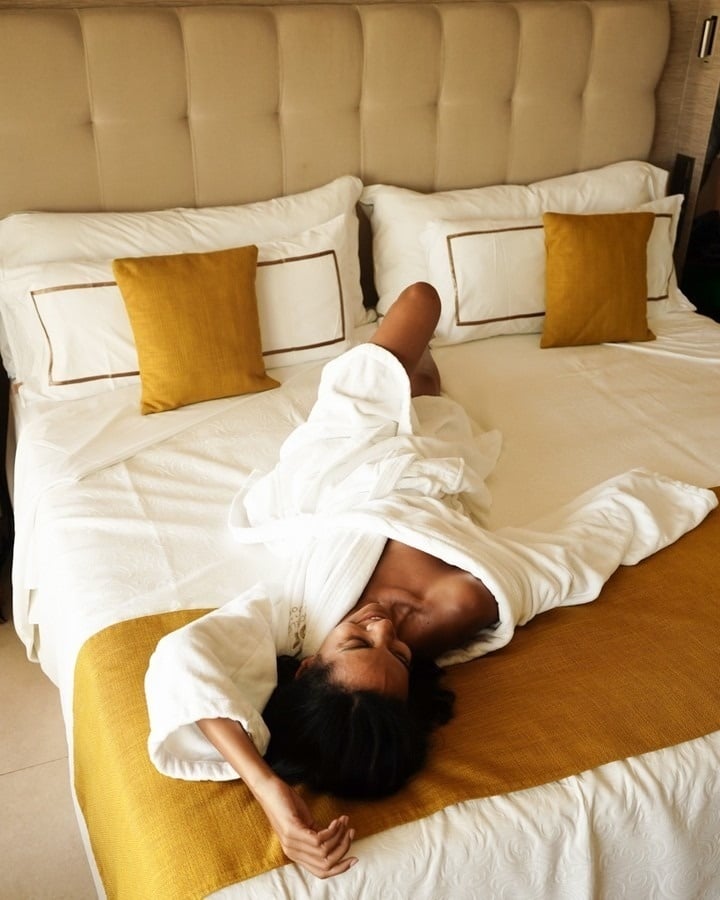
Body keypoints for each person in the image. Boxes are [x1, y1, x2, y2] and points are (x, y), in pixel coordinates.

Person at [145, 283, 717, 880]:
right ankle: (415, 378)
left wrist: (268, 788)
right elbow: (574, 553)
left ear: (310, 666)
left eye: (357, 641)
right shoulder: (472, 603)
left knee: (421, 299)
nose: (384, 627)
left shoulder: (293, 620)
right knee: (426, 387)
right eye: (397, 653)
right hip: (437, 462)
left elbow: (182, 657)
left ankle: (398, 363)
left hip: (346, 452)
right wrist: (668, 500)